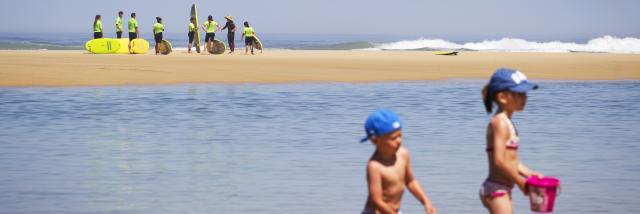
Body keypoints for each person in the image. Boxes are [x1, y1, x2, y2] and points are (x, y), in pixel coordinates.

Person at [480, 68, 544, 213]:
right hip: (496, 189)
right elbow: (499, 161)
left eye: (525, 94)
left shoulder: (507, 122)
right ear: (503, 97)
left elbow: (511, 160)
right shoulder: (499, 123)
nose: (525, 98)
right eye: (520, 94)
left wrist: (529, 173)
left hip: (503, 187)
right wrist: (520, 182)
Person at [360, 109, 437, 214]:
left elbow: (410, 181)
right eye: (393, 138)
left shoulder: (403, 154)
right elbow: (377, 200)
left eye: (400, 135)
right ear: (375, 140)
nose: (399, 140)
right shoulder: (375, 166)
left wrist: (426, 201)